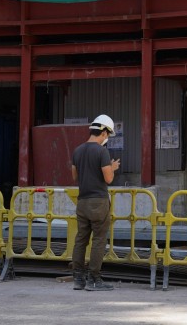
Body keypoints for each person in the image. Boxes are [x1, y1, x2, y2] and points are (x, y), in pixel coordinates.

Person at [70, 113, 121, 291]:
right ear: (104, 132)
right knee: (99, 240)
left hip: (82, 202)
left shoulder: (77, 150)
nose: (107, 138)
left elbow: (74, 176)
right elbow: (108, 179)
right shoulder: (102, 151)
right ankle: (94, 280)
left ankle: (78, 279)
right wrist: (112, 167)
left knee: (81, 240)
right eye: (108, 134)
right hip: (98, 202)